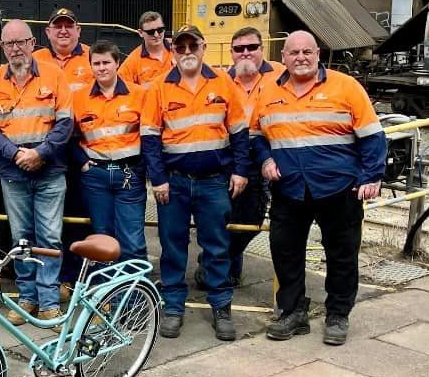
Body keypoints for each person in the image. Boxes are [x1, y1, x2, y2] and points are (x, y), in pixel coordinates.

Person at [251, 30, 386, 346]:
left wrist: (371, 176)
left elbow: (372, 136)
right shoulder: (267, 91)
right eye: (294, 52)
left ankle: (338, 314)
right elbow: (256, 137)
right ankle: (293, 311)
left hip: (339, 188)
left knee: (341, 254)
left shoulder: (346, 86)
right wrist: (265, 160)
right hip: (289, 188)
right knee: (285, 251)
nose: (300, 58)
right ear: (283, 57)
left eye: (307, 52)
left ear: (318, 55)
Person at [140, 25, 249, 341]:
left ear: (203, 48)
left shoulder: (224, 83)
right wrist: (157, 179)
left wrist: (240, 171)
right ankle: (173, 307)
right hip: (173, 185)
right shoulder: (159, 88)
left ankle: (221, 307)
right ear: (173, 50)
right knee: (173, 248)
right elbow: (150, 139)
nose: (187, 53)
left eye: (193, 46)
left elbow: (240, 133)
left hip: (214, 183)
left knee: (216, 247)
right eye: (181, 47)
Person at [0, 19, 72, 325]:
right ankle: (27, 299)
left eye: (21, 42)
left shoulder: (55, 76)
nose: (16, 49)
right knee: (21, 239)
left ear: (33, 43)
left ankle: (47, 302)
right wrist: (16, 154)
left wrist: (40, 153)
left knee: (49, 238)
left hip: (49, 170)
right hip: (13, 172)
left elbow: (65, 124)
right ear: (3, 47)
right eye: (9, 43)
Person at [195, 26, 284, 289]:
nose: (245, 53)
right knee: (222, 219)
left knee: (251, 220)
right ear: (232, 53)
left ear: (262, 49)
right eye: (239, 49)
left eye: (251, 47)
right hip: (228, 159)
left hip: (265, 157)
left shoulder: (280, 75)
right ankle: (226, 273)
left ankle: (214, 262)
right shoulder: (220, 80)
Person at [33, 7, 94, 299]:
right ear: (47, 32)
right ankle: (51, 279)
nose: (63, 31)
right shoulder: (36, 61)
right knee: (48, 220)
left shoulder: (92, 59)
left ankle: (76, 277)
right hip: (47, 148)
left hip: (82, 147)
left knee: (80, 215)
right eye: (57, 26)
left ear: (78, 31)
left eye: (69, 26)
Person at [71, 41, 148, 263]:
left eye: (106, 62)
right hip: (96, 175)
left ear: (117, 63)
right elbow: (70, 137)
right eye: (96, 63)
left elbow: (151, 134)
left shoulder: (139, 94)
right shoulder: (79, 98)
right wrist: (83, 163)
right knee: (102, 239)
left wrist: (140, 167)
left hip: (129, 174)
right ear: (90, 66)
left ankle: (132, 294)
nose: (101, 68)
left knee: (132, 240)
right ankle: (106, 296)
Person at [118, 11, 174, 88]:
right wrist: (143, 89)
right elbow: (120, 86)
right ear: (140, 33)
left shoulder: (178, 50)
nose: (156, 35)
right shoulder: (133, 60)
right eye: (151, 32)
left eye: (160, 30)